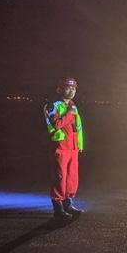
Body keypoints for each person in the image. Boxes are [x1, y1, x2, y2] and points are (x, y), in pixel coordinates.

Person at [45, 77, 84, 219]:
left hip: (73, 148)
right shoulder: (52, 106)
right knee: (59, 178)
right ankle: (58, 209)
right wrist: (69, 114)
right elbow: (56, 124)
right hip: (60, 147)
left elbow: (77, 128)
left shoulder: (73, 106)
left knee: (71, 178)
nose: (72, 91)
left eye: (74, 89)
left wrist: (79, 145)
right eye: (68, 88)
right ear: (59, 89)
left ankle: (68, 204)